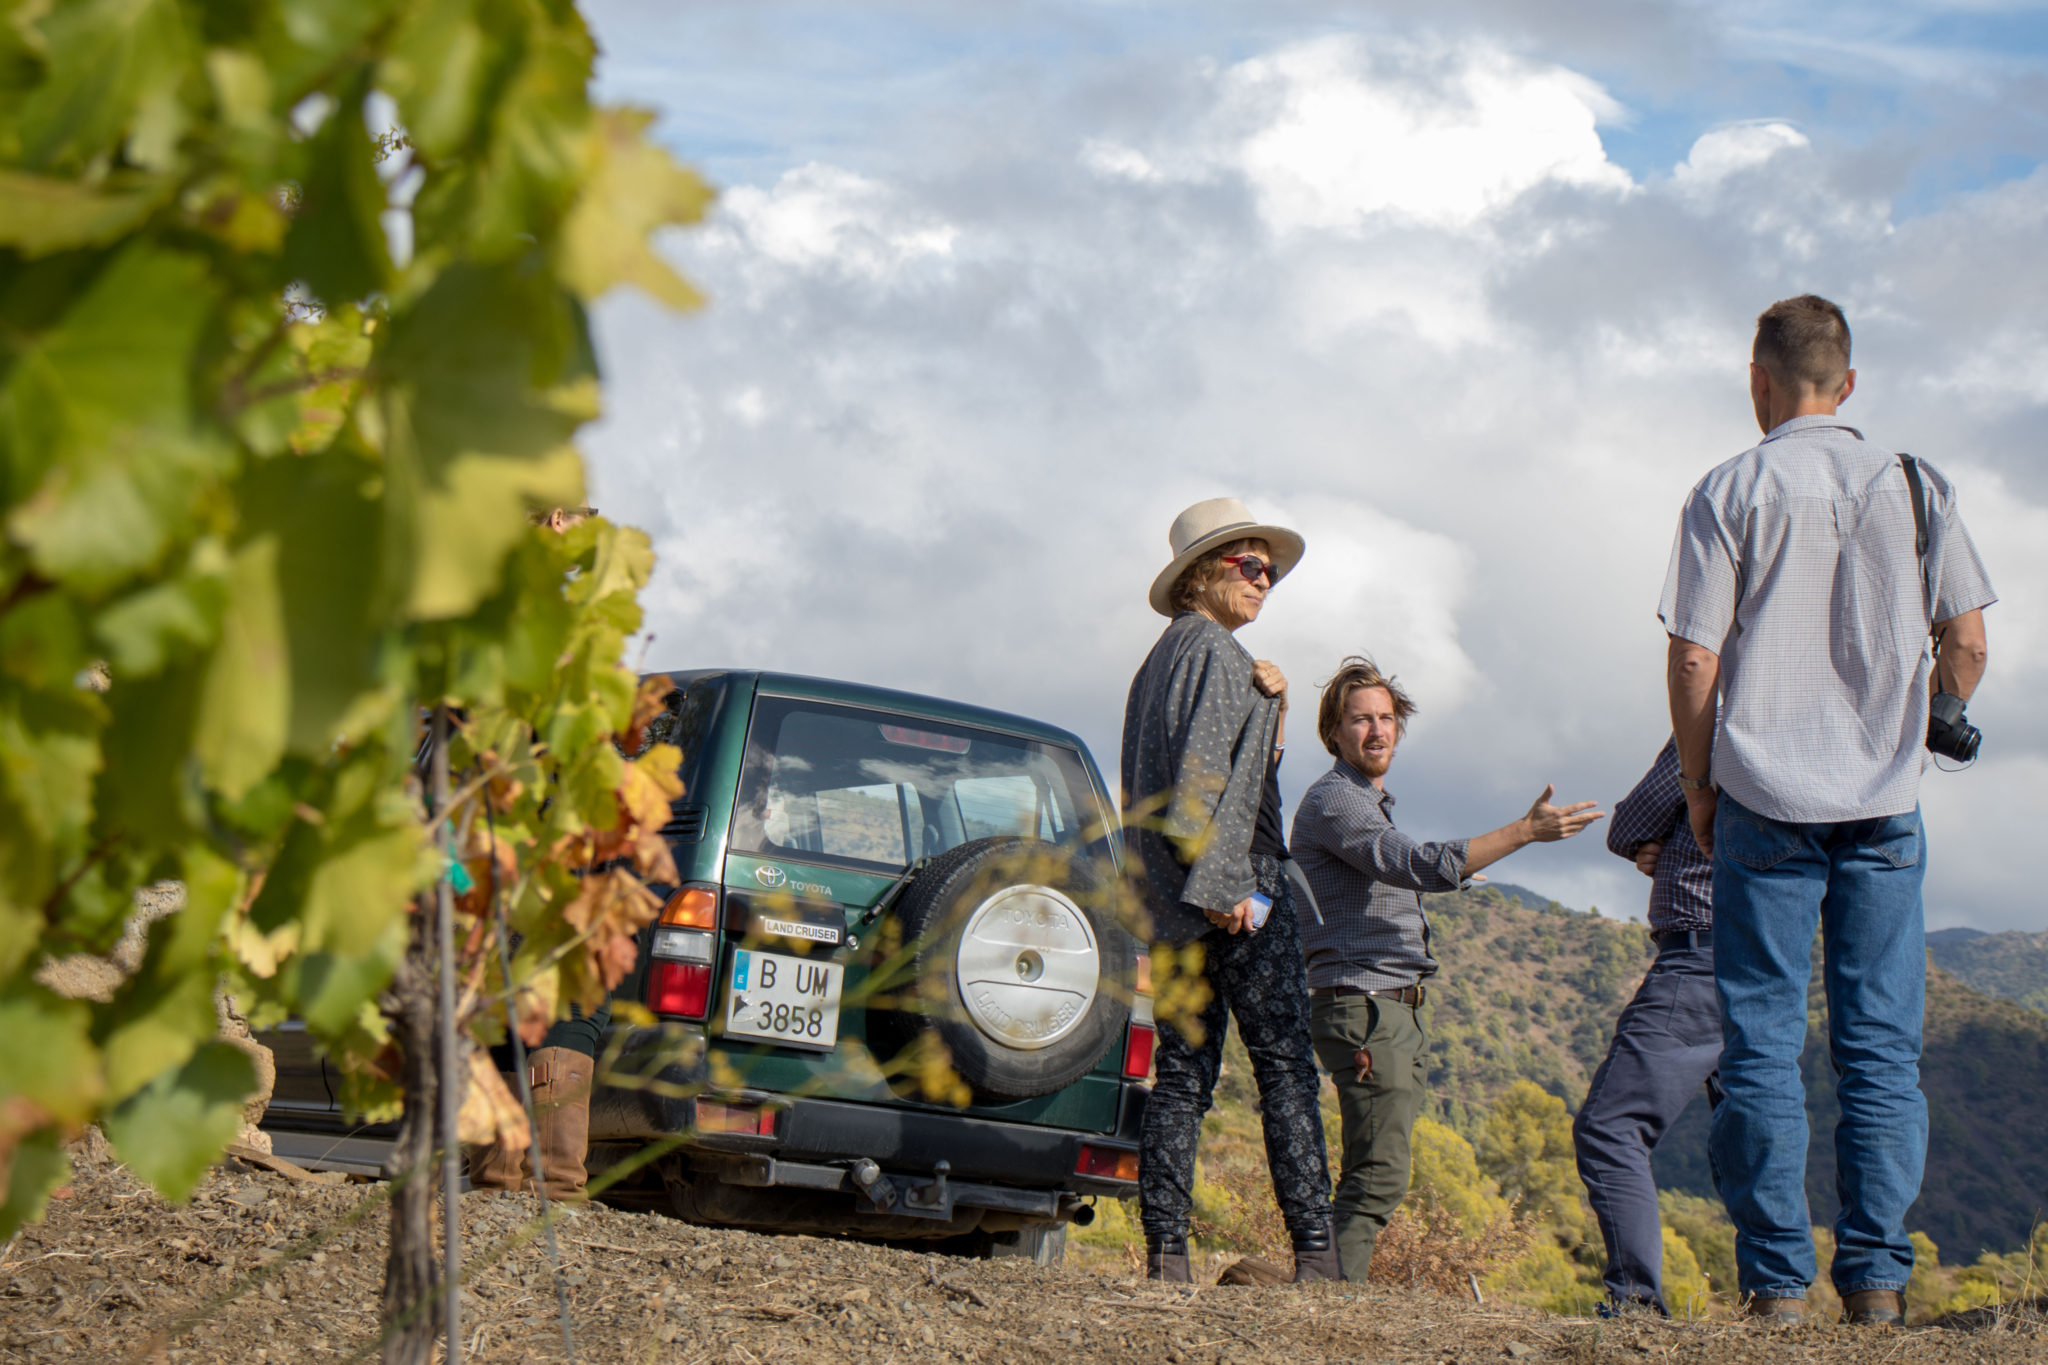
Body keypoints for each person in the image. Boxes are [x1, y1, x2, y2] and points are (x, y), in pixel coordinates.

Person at [1660, 295, 1995, 1325]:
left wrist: (1697, 782)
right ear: (1845, 384)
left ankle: (1772, 1288)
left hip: (1761, 802)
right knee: (1878, 1051)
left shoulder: (1727, 488)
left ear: (1755, 380)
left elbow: (1691, 655)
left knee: (1758, 1046)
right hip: (1885, 808)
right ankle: (1877, 1284)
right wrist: (1934, 714)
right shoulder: (1913, 483)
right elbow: (1969, 641)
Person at [1290, 656, 1603, 1283]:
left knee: (1374, 1166)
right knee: (1379, 1172)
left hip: (1382, 1008)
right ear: (1334, 733)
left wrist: (1444, 882)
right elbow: (1417, 863)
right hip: (1366, 1005)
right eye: (1360, 721)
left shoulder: (1366, 803)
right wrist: (1523, 831)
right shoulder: (1334, 800)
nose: (1376, 731)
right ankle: (1325, 1298)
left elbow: (1395, 876)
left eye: (1386, 719)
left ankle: (1320, 1286)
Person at [1123, 497, 1338, 1284]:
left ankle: (1166, 1257)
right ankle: (1317, 1258)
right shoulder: (1212, 651)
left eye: (1270, 571)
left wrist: (1271, 703)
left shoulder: (1161, 663)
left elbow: (1213, 773)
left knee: (1181, 1077)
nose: (1265, 580)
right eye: (1250, 565)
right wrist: (1231, 885)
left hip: (1171, 903)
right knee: (1284, 1066)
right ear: (1201, 575)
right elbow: (1198, 795)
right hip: (1233, 887)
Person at [1572, 736, 1720, 1316]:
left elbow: (1627, 824)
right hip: (1773, 961)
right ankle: (1777, 1296)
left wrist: (1664, 837)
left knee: (1610, 1128)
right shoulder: (1814, 716)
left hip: (1700, 953)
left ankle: (1634, 1302)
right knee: (1746, 1132)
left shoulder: (1715, 712)